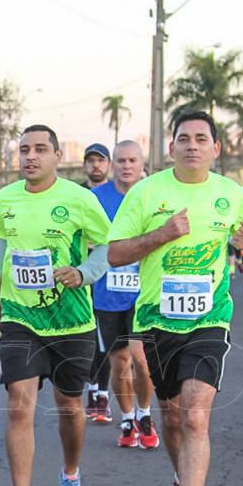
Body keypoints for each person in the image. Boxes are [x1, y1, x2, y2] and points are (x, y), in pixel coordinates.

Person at [107, 111, 243, 486]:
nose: (192, 145)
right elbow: (115, 254)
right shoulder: (147, 192)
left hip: (209, 317)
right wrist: (162, 233)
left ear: (216, 149)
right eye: (183, 138)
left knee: (195, 417)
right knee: (171, 416)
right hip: (156, 321)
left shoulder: (230, 193)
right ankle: (180, 480)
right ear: (170, 148)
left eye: (201, 139)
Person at [0, 124, 111, 486]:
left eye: (40, 149)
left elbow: (108, 246)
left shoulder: (80, 198)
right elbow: (2, 240)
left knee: (70, 407)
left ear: (56, 156)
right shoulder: (6, 197)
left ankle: (70, 474)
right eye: (23, 150)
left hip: (71, 320)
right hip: (20, 316)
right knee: (19, 402)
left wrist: (84, 273)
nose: (30, 157)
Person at [89, 141, 159, 448]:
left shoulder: (154, 197)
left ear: (142, 164)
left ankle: (145, 414)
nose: (127, 166)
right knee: (118, 362)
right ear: (112, 164)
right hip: (107, 294)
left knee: (142, 360)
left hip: (144, 293)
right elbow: (82, 238)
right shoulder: (94, 198)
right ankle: (128, 418)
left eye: (132, 160)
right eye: (121, 160)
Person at [81, 143, 114, 419]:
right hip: (84, 273)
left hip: (115, 275)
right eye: (90, 161)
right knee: (91, 335)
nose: (95, 166)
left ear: (108, 165)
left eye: (100, 160)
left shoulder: (120, 195)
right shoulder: (77, 195)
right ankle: (93, 387)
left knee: (107, 336)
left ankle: (102, 392)